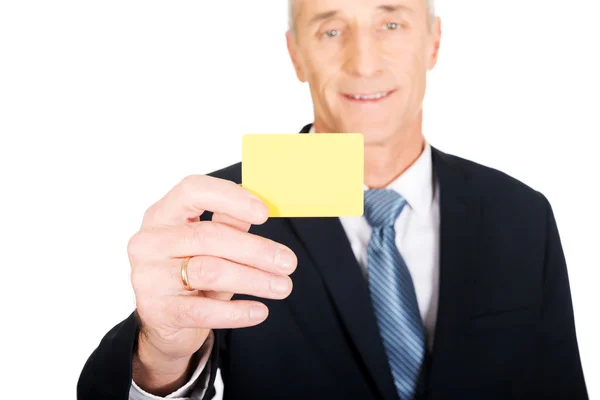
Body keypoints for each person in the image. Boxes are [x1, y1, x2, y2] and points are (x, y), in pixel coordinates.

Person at [77, 0, 589, 399]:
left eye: (391, 24)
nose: (363, 62)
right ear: (296, 54)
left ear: (434, 42)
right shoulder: (225, 214)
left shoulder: (521, 215)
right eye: (329, 29)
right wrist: (161, 355)